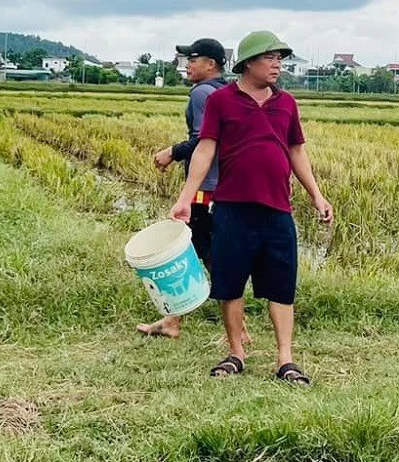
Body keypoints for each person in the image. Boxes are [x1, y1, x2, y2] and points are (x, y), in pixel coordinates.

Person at [169, 30, 333, 385]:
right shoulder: (221, 101)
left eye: (280, 59)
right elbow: (206, 148)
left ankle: (285, 359)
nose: (277, 65)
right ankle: (235, 353)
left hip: (277, 210)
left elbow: (296, 152)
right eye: (269, 58)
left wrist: (317, 195)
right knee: (229, 284)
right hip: (231, 208)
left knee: (282, 286)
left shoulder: (286, 103)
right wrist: (186, 197)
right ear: (248, 63)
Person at [138, 37, 228, 340]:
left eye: (193, 59)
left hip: (205, 188)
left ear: (210, 64)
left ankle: (234, 327)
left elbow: (204, 140)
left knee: (195, 252)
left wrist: (172, 152)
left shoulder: (203, 93)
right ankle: (174, 319)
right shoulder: (226, 91)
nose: (187, 65)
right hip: (221, 186)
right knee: (204, 251)